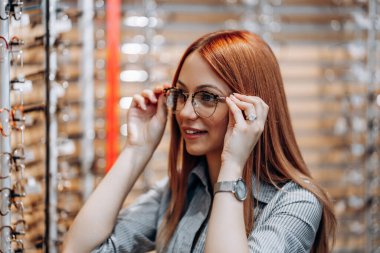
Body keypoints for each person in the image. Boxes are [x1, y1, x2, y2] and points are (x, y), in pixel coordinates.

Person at [63, 30, 336, 253]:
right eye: (181, 94)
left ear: (249, 109)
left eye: (207, 97)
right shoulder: (179, 190)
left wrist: (232, 166)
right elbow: (79, 249)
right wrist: (137, 148)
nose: (184, 112)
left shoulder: (297, 203)